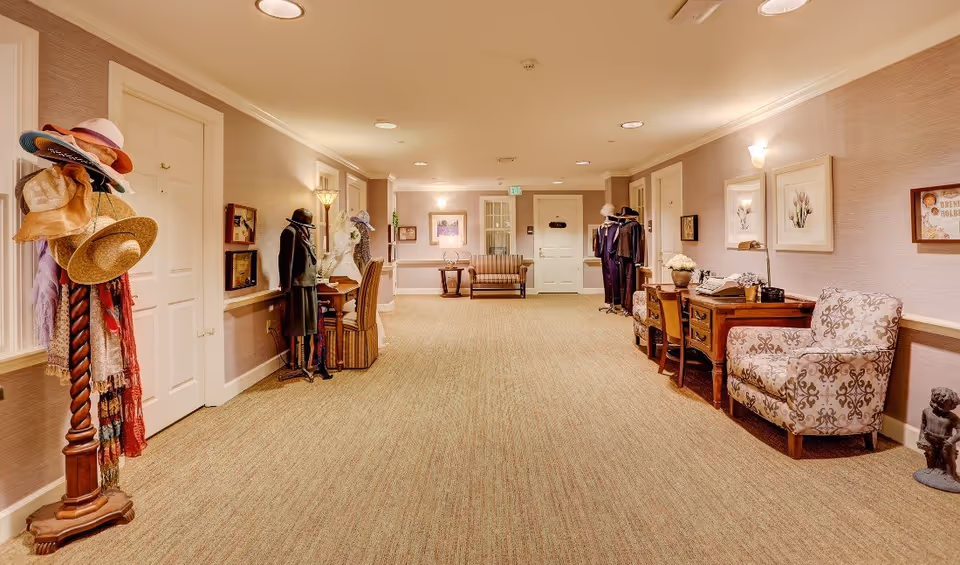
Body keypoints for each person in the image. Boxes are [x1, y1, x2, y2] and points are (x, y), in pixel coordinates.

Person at [279, 208, 331, 380]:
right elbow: (286, 261)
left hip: (310, 283)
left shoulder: (304, 231)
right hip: (298, 284)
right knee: (299, 324)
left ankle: (309, 363)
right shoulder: (290, 232)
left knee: (310, 324)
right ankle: (298, 365)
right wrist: (286, 287)